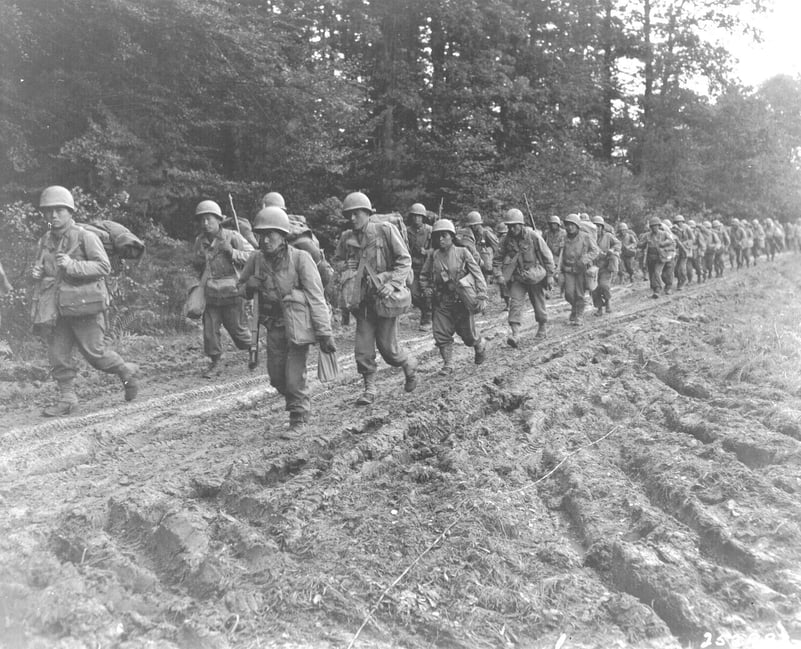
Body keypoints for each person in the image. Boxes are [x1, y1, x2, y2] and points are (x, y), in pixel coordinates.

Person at [31, 186, 139, 416]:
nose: (53, 215)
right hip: (56, 309)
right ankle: (67, 399)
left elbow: (103, 267)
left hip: (84, 307)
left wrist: (73, 265)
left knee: (96, 355)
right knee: (58, 354)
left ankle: (125, 371)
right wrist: (38, 273)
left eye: (59, 210)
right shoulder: (45, 240)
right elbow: (47, 270)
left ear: (70, 211)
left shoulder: (85, 237)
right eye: (49, 211)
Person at [238, 206, 335, 430]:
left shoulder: (301, 259)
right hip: (274, 326)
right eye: (261, 235)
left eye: (270, 234)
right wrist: (248, 286)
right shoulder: (256, 259)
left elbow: (316, 297)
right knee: (276, 378)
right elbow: (239, 288)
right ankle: (298, 401)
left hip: (299, 327)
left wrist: (324, 332)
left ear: (282, 235)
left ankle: (298, 417)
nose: (265, 240)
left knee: (293, 377)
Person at [333, 191, 418, 405]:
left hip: (385, 298)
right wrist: (345, 265)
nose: (352, 218)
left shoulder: (384, 230)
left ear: (367, 212)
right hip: (362, 301)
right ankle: (369, 389)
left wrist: (391, 284)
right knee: (362, 350)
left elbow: (404, 260)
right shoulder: (347, 238)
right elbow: (337, 262)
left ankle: (408, 364)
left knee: (389, 350)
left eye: (357, 213)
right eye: (349, 214)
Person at [191, 200, 253, 378]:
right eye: (202, 220)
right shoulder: (200, 242)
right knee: (210, 331)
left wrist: (233, 252)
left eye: (209, 219)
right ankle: (216, 362)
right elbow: (195, 266)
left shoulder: (232, 237)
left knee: (238, 331)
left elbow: (253, 257)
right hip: (211, 294)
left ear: (219, 220)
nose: (205, 223)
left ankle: (253, 349)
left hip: (232, 293)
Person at [420, 219, 487, 374]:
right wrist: (426, 288)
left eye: (444, 235)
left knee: (468, 336)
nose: (441, 239)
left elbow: (477, 273)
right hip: (442, 301)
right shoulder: (433, 255)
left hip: (461, 300)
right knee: (441, 334)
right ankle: (448, 364)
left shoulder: (462, 252)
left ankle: (480, 344)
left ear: (452, 236)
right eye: (437, 236)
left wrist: (482, 294)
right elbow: (424, 275)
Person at [495, 208, 555, 346]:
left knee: (538, 303)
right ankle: (515, 335)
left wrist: (550, 275)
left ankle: (542, 327)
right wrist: (498, 275)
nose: (512, 229)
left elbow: (547, 255)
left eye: (514, 225)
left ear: (521, 224)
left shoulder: (533, 236)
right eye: (509, 226)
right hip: (518, 277)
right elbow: (497, 259)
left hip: (534, 276)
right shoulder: (506, 240)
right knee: (515, 304)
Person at [560, 213, 598, 325]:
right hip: (568, 269)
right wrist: (559, 247)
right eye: (568, 225)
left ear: (577, 226)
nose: (570, 227)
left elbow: (595, 250)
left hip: (581, 269)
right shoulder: (564, 238)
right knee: (568, 294)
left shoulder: (585, 237)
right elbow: (558, 253)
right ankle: (574, 307)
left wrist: (584, 260)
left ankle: (579, 315)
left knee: (580, 294)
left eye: (572, 225)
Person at [406, 202, 433, 329]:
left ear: (423, 217)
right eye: (414, 216)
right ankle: (426, 311)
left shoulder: (430, 230)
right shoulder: (407, 231)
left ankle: (427, 319)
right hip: (413, 267)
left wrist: (427, 252)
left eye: (419, 216)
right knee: (413, 294)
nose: (417, 219)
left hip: (427, 267)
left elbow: (438, 249)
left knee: (427, 293)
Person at [590, 215, 620, 315]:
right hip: (593, 267)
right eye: (594, 226)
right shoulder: (589, 237)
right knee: (594, 289)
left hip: (605, 266)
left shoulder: (608, 236)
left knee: (604, 285)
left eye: (598, 226)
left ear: (602, 227)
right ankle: (599, 308)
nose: (597, 228)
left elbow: (618, 244)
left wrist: (612, 249)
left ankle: (607, 302)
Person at [640, 216, 676, 298]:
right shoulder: (647, 235)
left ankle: (664, 287)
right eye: (652, 226)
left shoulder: (664, 233)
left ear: (659, 226)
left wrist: (662, 244)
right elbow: (640, 244)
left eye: (656, 226)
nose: (654, 228)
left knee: (661, 272)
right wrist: (644, 243)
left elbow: (671, 241)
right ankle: (656, 289)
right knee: (653, 274)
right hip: (651, 257)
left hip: (663, 256)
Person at [671, 214, 693, 290]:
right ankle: (679, 280)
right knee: (675, 269)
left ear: (683, 221)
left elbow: (692, 238)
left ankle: (683, 281)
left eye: (680, 222)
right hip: (677, 250)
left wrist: (687, 246)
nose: (678, 223)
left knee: (682, 268)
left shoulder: (687, 228)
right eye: (677, 222)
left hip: (685, 250)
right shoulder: (674, 229)